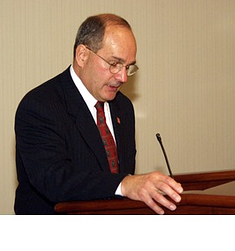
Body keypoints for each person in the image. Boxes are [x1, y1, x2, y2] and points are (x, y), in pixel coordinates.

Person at [14, 13, 183, 215]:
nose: (122, 77)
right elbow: (55, 180)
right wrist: (125, 183)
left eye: (128, 67)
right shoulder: (40, 105)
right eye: (114, 64)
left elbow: (120, 180)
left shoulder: (123, 107)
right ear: (82, 55)